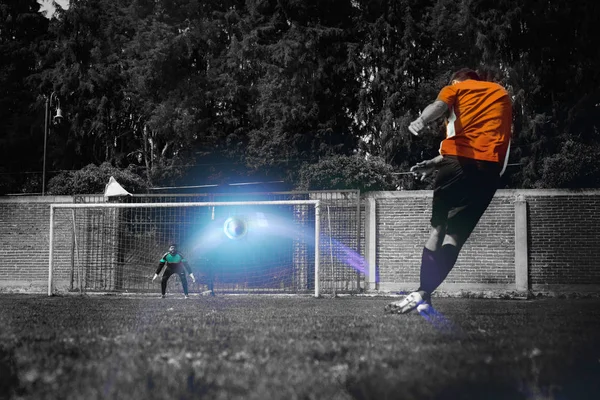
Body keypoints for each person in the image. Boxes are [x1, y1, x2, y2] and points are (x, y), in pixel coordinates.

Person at [385, 68, 512, 314]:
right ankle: (424, 295)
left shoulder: (455, 88)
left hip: (455, 164)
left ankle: (422, 291)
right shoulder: (501, 93)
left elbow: (440, 105)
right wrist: (434, 163)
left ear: (456, 80)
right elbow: (480, 138)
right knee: (455, 237)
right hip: (489, 171)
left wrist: (421, 120)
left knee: (438, 228)